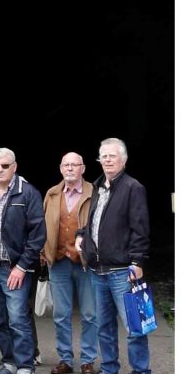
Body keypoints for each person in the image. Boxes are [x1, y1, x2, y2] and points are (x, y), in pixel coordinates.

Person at [77, 138, 151, 374]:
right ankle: (109, 369)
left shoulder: (133, 187)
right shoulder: (98, 186)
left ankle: (141, 370)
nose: (107, 160)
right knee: (104, 328)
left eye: (112, 156)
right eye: (104, 156)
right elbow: (95, 222)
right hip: (98, 271)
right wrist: (82, 235)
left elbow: (140, 228)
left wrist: (137, 261)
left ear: (124, 160)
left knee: (135, 327)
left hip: (122, 272)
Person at [0, 148, 45, 374]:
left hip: (13, 269)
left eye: (4, 166)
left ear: (14, 166)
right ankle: (9, 361)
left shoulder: (28, 193)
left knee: (18, 320)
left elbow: (38, 234)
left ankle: (25, 364)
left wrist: (22, 267)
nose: (0, 170)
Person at [40, 153, 97, 374]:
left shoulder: (96, 193)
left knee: (90, 314)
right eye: (66, 165)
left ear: (83, 168)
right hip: (59, 261)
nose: (70, 168)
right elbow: (42, 224)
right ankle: (65, 359)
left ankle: (87, 360)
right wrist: (43, 251)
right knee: (61, 314)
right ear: (61, 168)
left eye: (75, 165)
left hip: (86, 262)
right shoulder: (52, 194)